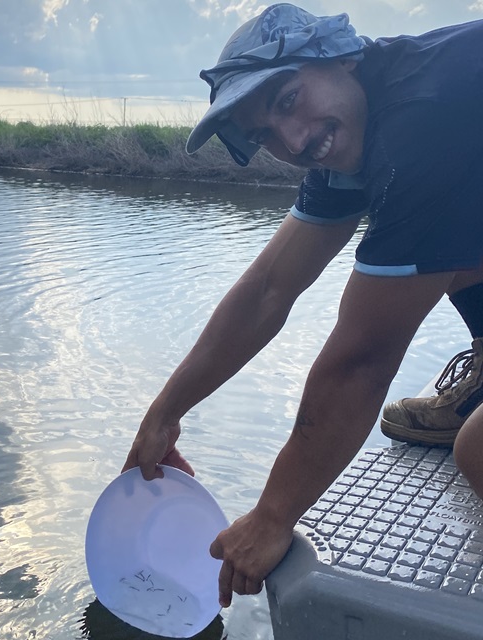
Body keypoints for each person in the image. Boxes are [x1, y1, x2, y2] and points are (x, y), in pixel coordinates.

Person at [121, 3, 483, 610]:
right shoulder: (355, 122)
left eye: (288, 100)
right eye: (264, 133)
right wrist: (166, 411)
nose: (293, 141)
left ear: (339, 55)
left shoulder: (424, 119)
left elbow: (362, 361)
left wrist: (272, 515)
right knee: (443, 250)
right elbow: (268, 289)